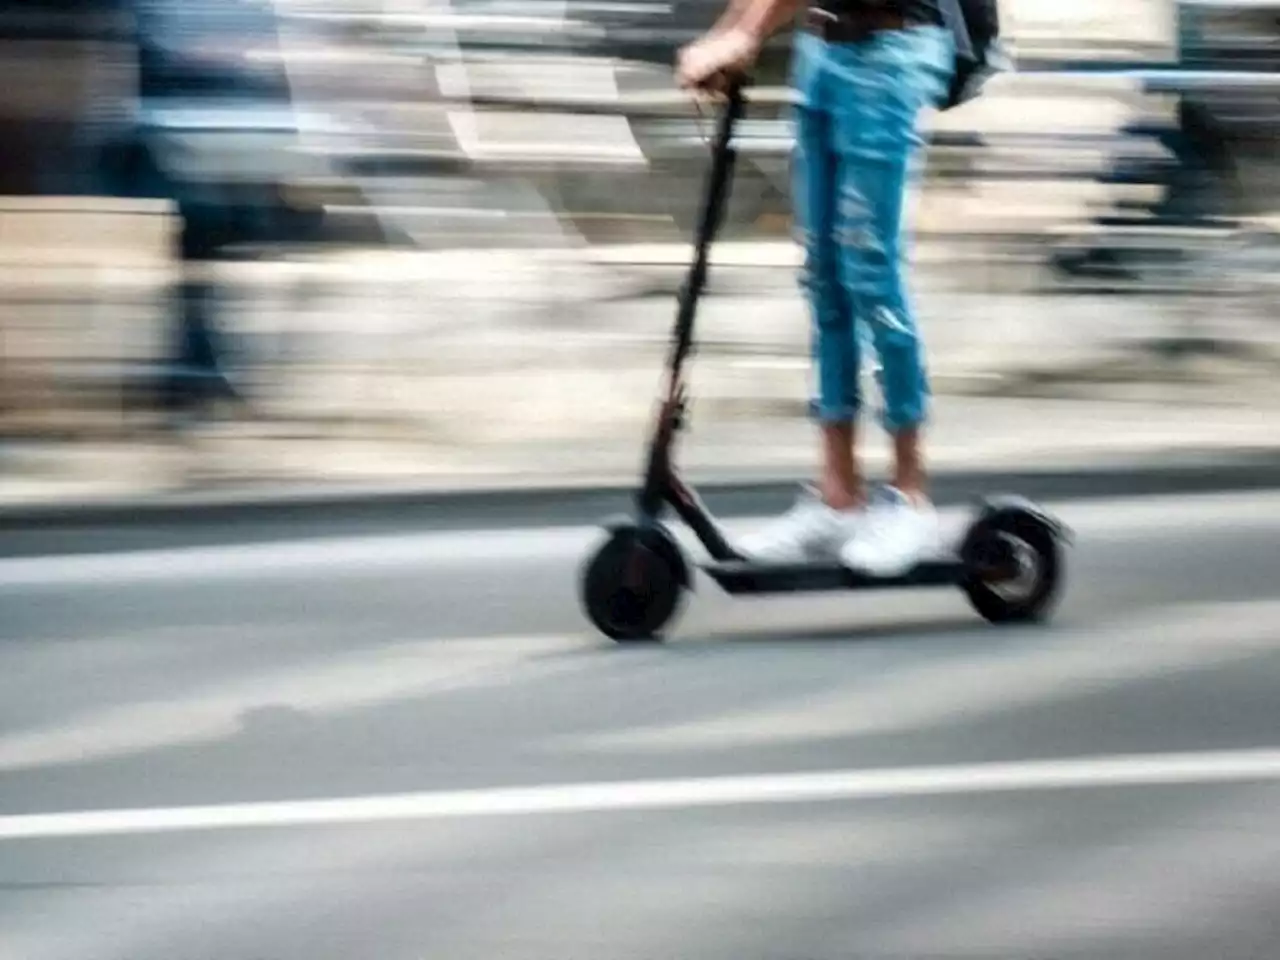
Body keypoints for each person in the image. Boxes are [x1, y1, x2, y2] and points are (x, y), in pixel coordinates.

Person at [676, 0, 969, 576]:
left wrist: (747, 35)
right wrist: (728, 35)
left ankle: (910, 497)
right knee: (825, 280)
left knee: (872, 276)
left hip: (891, 52)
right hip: (823, 50)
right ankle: (839, 495)